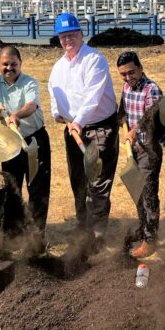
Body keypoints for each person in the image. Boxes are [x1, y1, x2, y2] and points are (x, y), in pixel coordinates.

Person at [48, 13, 119, 244]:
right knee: (77, 179)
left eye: (72, 34)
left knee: (97, 181)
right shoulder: (58, 67)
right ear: (59, 38)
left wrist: (78, 121)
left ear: (81, 34)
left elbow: (93, 98)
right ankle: (83, 228)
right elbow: (53, 95)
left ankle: (98, 232)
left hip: (99, 129)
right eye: (64, 36)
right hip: (73, 130)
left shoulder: (94, 60)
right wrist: (61, 117)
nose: (68, 40)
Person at [0, 45, 51, 250]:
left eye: (13, 64)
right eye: (5, 64)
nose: (9, 68)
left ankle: (36, 237)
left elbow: (31, 105)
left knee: (37, 189)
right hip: (10, 143)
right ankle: (13, 236)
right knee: (12, 188)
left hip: (34, 140)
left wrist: (16, 115)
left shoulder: (29, 82)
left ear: (20, 63)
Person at [115, 51, 164, 259]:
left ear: (140, 68)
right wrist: (123, 124)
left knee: (148, 194)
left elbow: (152, 119)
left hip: (148, 150)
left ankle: (151, 240)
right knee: (137, 192)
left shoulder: (151, 89)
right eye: (123, 74)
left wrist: (135, 131)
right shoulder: (126, 87)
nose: (127, 78)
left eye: (131, 72)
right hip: (133, 150)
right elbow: (123, 112)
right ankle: (143, 229)